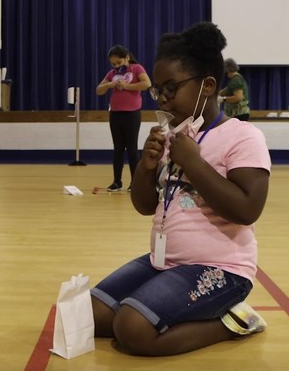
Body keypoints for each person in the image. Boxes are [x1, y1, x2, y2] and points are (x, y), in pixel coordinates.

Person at [90, 22, 271, 356]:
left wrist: (195, 164)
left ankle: (233, 321)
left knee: (132, 329)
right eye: (158, 91)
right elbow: (145, 206)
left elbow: (247, 210)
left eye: (172, 88)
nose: (163, 99)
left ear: (208, 86)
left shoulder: (243, 136)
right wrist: (146, 167)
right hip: (166, 261)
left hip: (222, 270)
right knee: (91, 316)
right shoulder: (174, 135)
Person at [96, 45, 151, 191]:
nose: (116, 66)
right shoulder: (112, 73)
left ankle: (135, 182)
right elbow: (98, 90)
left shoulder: (136, 68)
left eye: (118, 63)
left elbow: (147, 84)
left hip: (132, 114)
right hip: (115, 114)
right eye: (113, 64)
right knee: (118, 148)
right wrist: (109, 84)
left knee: (132, 148)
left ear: (126, 58)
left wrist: (126, 86)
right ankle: (117, 181)